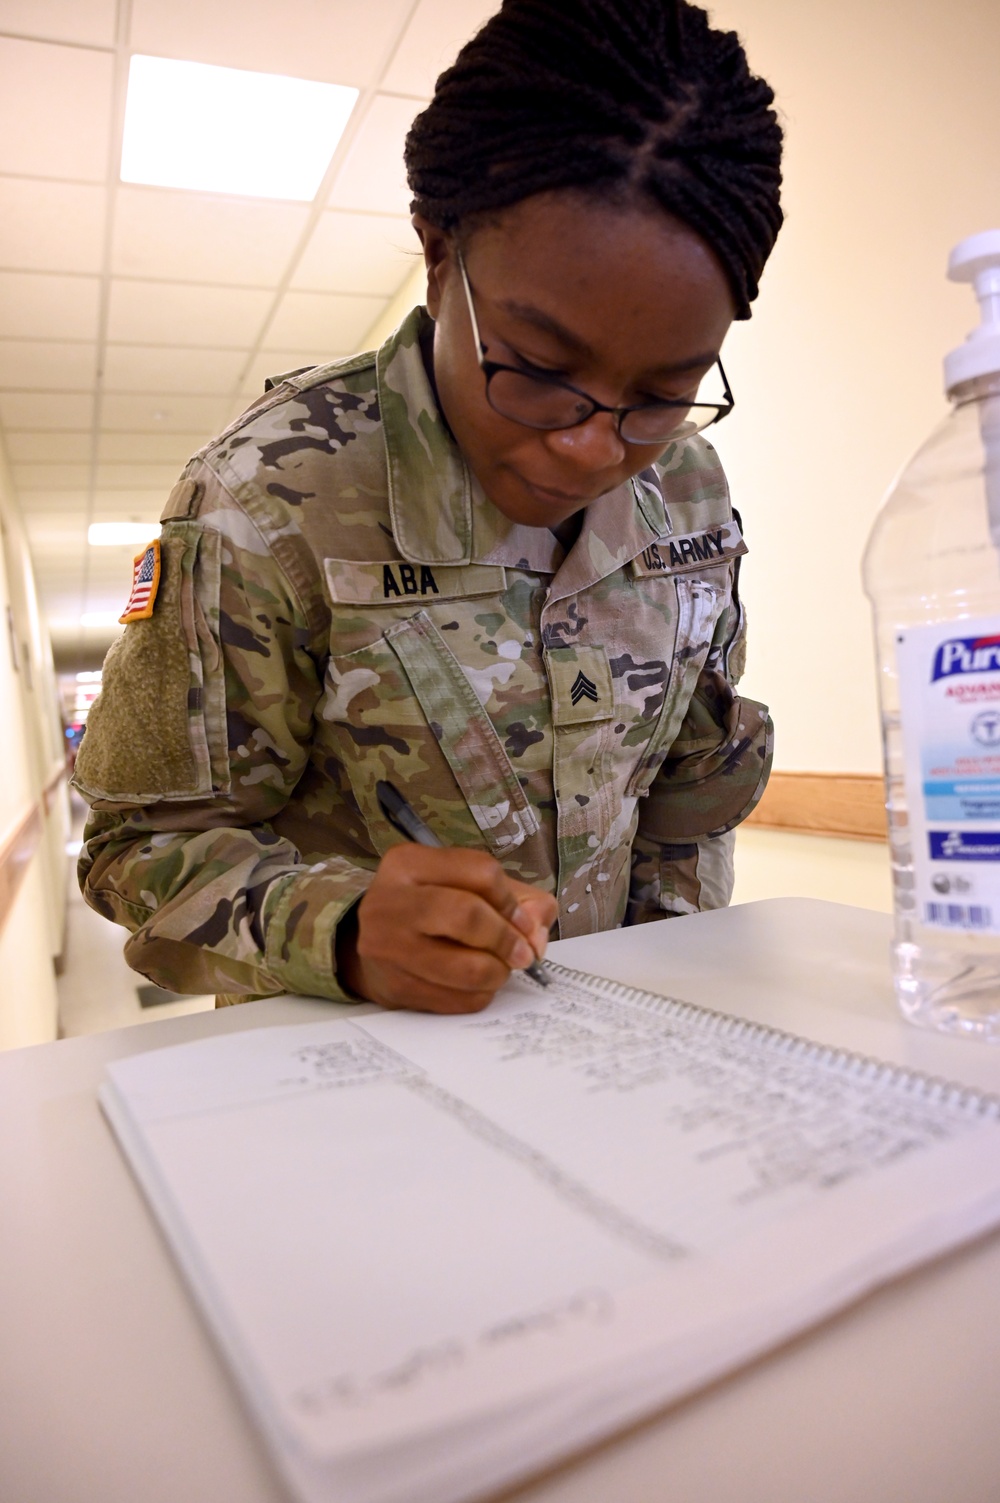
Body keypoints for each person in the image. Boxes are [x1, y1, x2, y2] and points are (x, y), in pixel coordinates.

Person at [74, 0, 782, 1014]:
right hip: (359, 1081)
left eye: (662, 394)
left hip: (621, 1065)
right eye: (539, 369)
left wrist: (672, 993)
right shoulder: (265, 501)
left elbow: (685, 786)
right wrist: (344, 932)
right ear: (437, 252)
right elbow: (133, 848)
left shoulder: (688, 487)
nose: (593, 448)